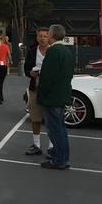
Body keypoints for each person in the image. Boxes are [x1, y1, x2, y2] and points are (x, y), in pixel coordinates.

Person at [38, 24, 74, 170]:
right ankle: (62, 157)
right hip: (62, 94)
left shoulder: (53, 52)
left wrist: (42, 93)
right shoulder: (67, 52)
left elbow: (47, 76)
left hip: (52, 97)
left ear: (52, 35)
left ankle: (58, 159)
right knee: (61, 129)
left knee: (55, 129)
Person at [24, 28, 51, 156]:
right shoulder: (32, 51)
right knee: (35, 118)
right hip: (35, 88)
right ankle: (37, 145)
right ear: (36, 38)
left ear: (49, 37)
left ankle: (52, 146)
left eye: (45, 36)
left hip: (50, 90)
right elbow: (26, 69)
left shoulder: (53, 51)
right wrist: (31, 73)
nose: (42, 38)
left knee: (51, 118)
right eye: (40, 36)